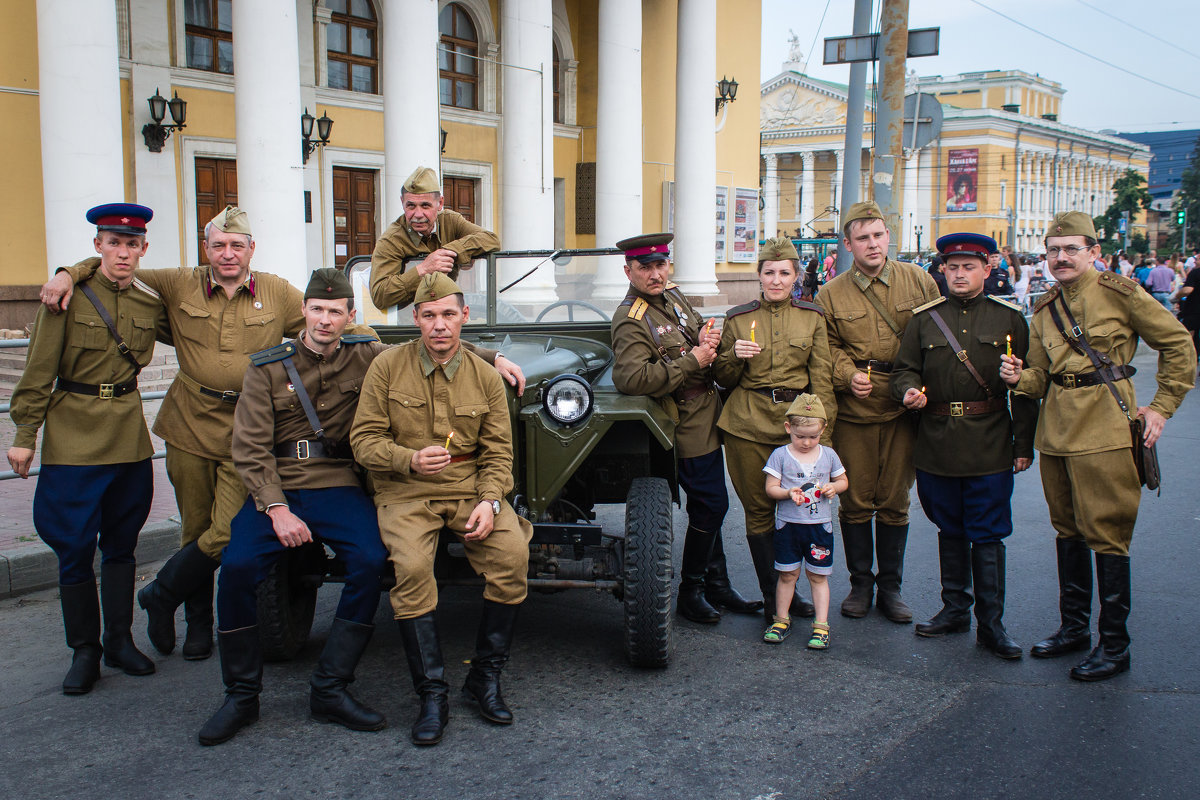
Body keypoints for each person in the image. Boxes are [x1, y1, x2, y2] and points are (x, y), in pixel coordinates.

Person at [39, 206, 522, 664]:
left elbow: (417, 340)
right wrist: (68, 272)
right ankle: (195, 622)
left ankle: (178, 597)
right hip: (194, 423)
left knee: (227, 534)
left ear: (252, 249)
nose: (228, 254)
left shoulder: (283, 296)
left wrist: (487, 357)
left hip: (286, 452)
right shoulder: (178, 283)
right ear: (207, 248)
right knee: (197, 527)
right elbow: (119, 268)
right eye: (218, 245)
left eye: (237, 245)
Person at [1000, 211, 1195, 681]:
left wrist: (1161, 407)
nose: (1061, 258)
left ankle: (1115, 645)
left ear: (1093, 253)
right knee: (1067, 531)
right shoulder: (1046, 307)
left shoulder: (1119, 293)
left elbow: (1178, 344)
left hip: (1106, 427)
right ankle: (1074, 630)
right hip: (1058, 433)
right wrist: (1016, 377)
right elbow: (1041, 377)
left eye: (1071, 249)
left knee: (1107, 534)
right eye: (1053, 250)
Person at [198, 269, 390, 746]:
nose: (325, 320)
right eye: (317, 310)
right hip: (277, 486)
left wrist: (497, 357)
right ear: (304, 311)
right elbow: (249, 448)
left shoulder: (365, 354)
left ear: (350, 316)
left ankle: (330, 687)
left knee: (370, 559)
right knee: (238, 565)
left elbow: (426, 352)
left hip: (338, 483)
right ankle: (241, 696)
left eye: (336, 312)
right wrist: (276, 509)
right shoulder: (267, 366)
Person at [350, 273, 533, 746]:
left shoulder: (486, 377)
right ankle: (432, 695)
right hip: (405, 490)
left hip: (469, 486)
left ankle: (484, 680)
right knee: (410, 568)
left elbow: (498, 455)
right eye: (429, 316)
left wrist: (491, 502)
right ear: (415, 319)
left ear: (464, 317)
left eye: (448, 314)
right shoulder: (387, 368)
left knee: (513, 557)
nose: (439, 326)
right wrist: (406, 459)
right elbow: (364, 441)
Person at [8, 203, 161, 694]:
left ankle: (118, 641)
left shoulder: (147, 302)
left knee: (122, 546)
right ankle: (85, 651)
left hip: (129, 439)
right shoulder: (68, 298)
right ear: (98, 246)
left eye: (131, 244)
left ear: (143, 249)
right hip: (73, 439)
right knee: (73, 550)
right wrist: (23, 436)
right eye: (113, 243)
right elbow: (38, 370)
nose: (122, 252)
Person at [891, 232, 1039, 659]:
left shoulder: (1009, 318)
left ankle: (991, 625)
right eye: (952, 267)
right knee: (949, 527)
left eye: (969, 266)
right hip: (936, 440)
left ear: (987, 269)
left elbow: (1024, 388)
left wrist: (1022, 443)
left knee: (988, 534)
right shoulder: (925, 319)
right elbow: (904, 371)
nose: (959, 274)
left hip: (990, 440)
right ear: (941, 269)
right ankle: (955, 609)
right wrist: (908, 392)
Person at [609, 233, 758, 624]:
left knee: (710, 504)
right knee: (711, 504)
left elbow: (691, 334)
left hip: (708, 409)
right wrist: (692, 360)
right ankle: (691, 590)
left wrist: (704, 338)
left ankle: (718, 585)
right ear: (629, 271)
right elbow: (631, 379)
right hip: (685, 417)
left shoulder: (672, 296)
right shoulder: (630, 319)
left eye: (660, 265)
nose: (655, 274)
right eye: (645, 267)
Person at [815, 201, 942, 623]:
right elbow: (826, 348)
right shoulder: (830, 294)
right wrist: (848, 374)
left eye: (878, 235)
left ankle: (891, 588)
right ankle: (859, 585)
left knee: (894, 501)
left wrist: (922, 388)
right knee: (854, 500)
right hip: (857, 408)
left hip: (905, 407)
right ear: (848, 245)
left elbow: (937, 338)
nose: (872, 244)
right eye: (862, 238)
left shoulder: (919, 280)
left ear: (889, 237)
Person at [713, 237, 835, 625]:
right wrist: (733, 357)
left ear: (796, 276)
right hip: (747, 424)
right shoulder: (736, 319)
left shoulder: (812, 317)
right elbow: (722, 377)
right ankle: (773, 598)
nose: (776, 280)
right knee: (760, 512)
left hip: (796, 428)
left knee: (797, 509)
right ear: (759, 276)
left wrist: (823, 441)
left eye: (784, 273)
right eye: (769, 272)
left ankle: (791, 589)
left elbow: (822, 379)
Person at [761, 394, 848, 649]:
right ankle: (781, 620)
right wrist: (788, 493)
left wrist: (834, 487)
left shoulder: (829, 455)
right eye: (800, 436)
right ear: (789, 428)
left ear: (823, 429)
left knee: (818, 577)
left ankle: (821, 626)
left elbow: (843, 481)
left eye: (813, 436)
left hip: (819, 528)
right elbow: (771, 488)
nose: (807, 442)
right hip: (788, 526)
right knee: (787, 575)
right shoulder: (780, 455)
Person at [369, 166, 501, 311]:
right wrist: (423, 269)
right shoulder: (391, 240)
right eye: (411, 206)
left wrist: (447, 252)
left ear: (440, 203)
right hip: (409, 319)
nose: (418, 214)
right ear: (402, 202)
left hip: (448, 309)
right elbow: (380, 295)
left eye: (425, 206)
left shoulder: (450, 221)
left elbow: (491, 240)